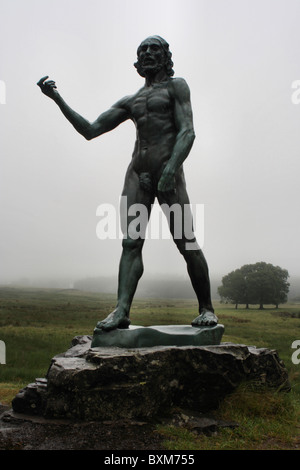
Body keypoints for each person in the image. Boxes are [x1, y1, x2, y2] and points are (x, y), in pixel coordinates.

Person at [37, 35, 218, 331]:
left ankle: (207, 309)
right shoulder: (131, 100)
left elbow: (188, 132)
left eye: (154, 48)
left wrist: (171, 169)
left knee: (187, 242)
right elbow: (90, 130)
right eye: (142, 50)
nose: (147, 53)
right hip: (137, 175)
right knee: (130, 243)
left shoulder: (176, 86)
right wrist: (57, 98)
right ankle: (121, 310)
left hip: (168, 173)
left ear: (165, 56)